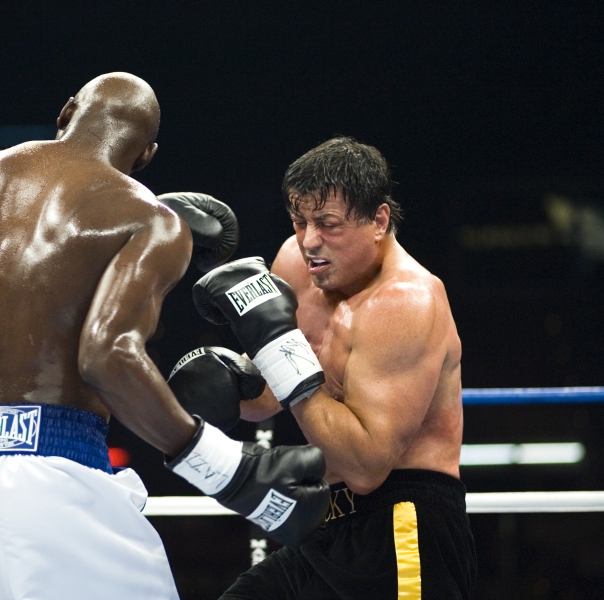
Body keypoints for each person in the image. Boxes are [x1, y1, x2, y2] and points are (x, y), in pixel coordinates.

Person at [0, 73, 329, 600]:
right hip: (55, 480)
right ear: (146, 154)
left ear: (66, 112)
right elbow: (106, 355)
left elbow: (29, 275)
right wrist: (226, 468)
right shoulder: (150, 220)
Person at [185, 137, 477, 598]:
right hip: (324, 520)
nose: (309, 241)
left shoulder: (406, 302)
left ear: (378, 220)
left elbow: (365, 466)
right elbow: (269, 395)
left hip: (402, 523)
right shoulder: (296, 264)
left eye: (328, 224)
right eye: (300, 221)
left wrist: (277, 349)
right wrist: (224, 383)